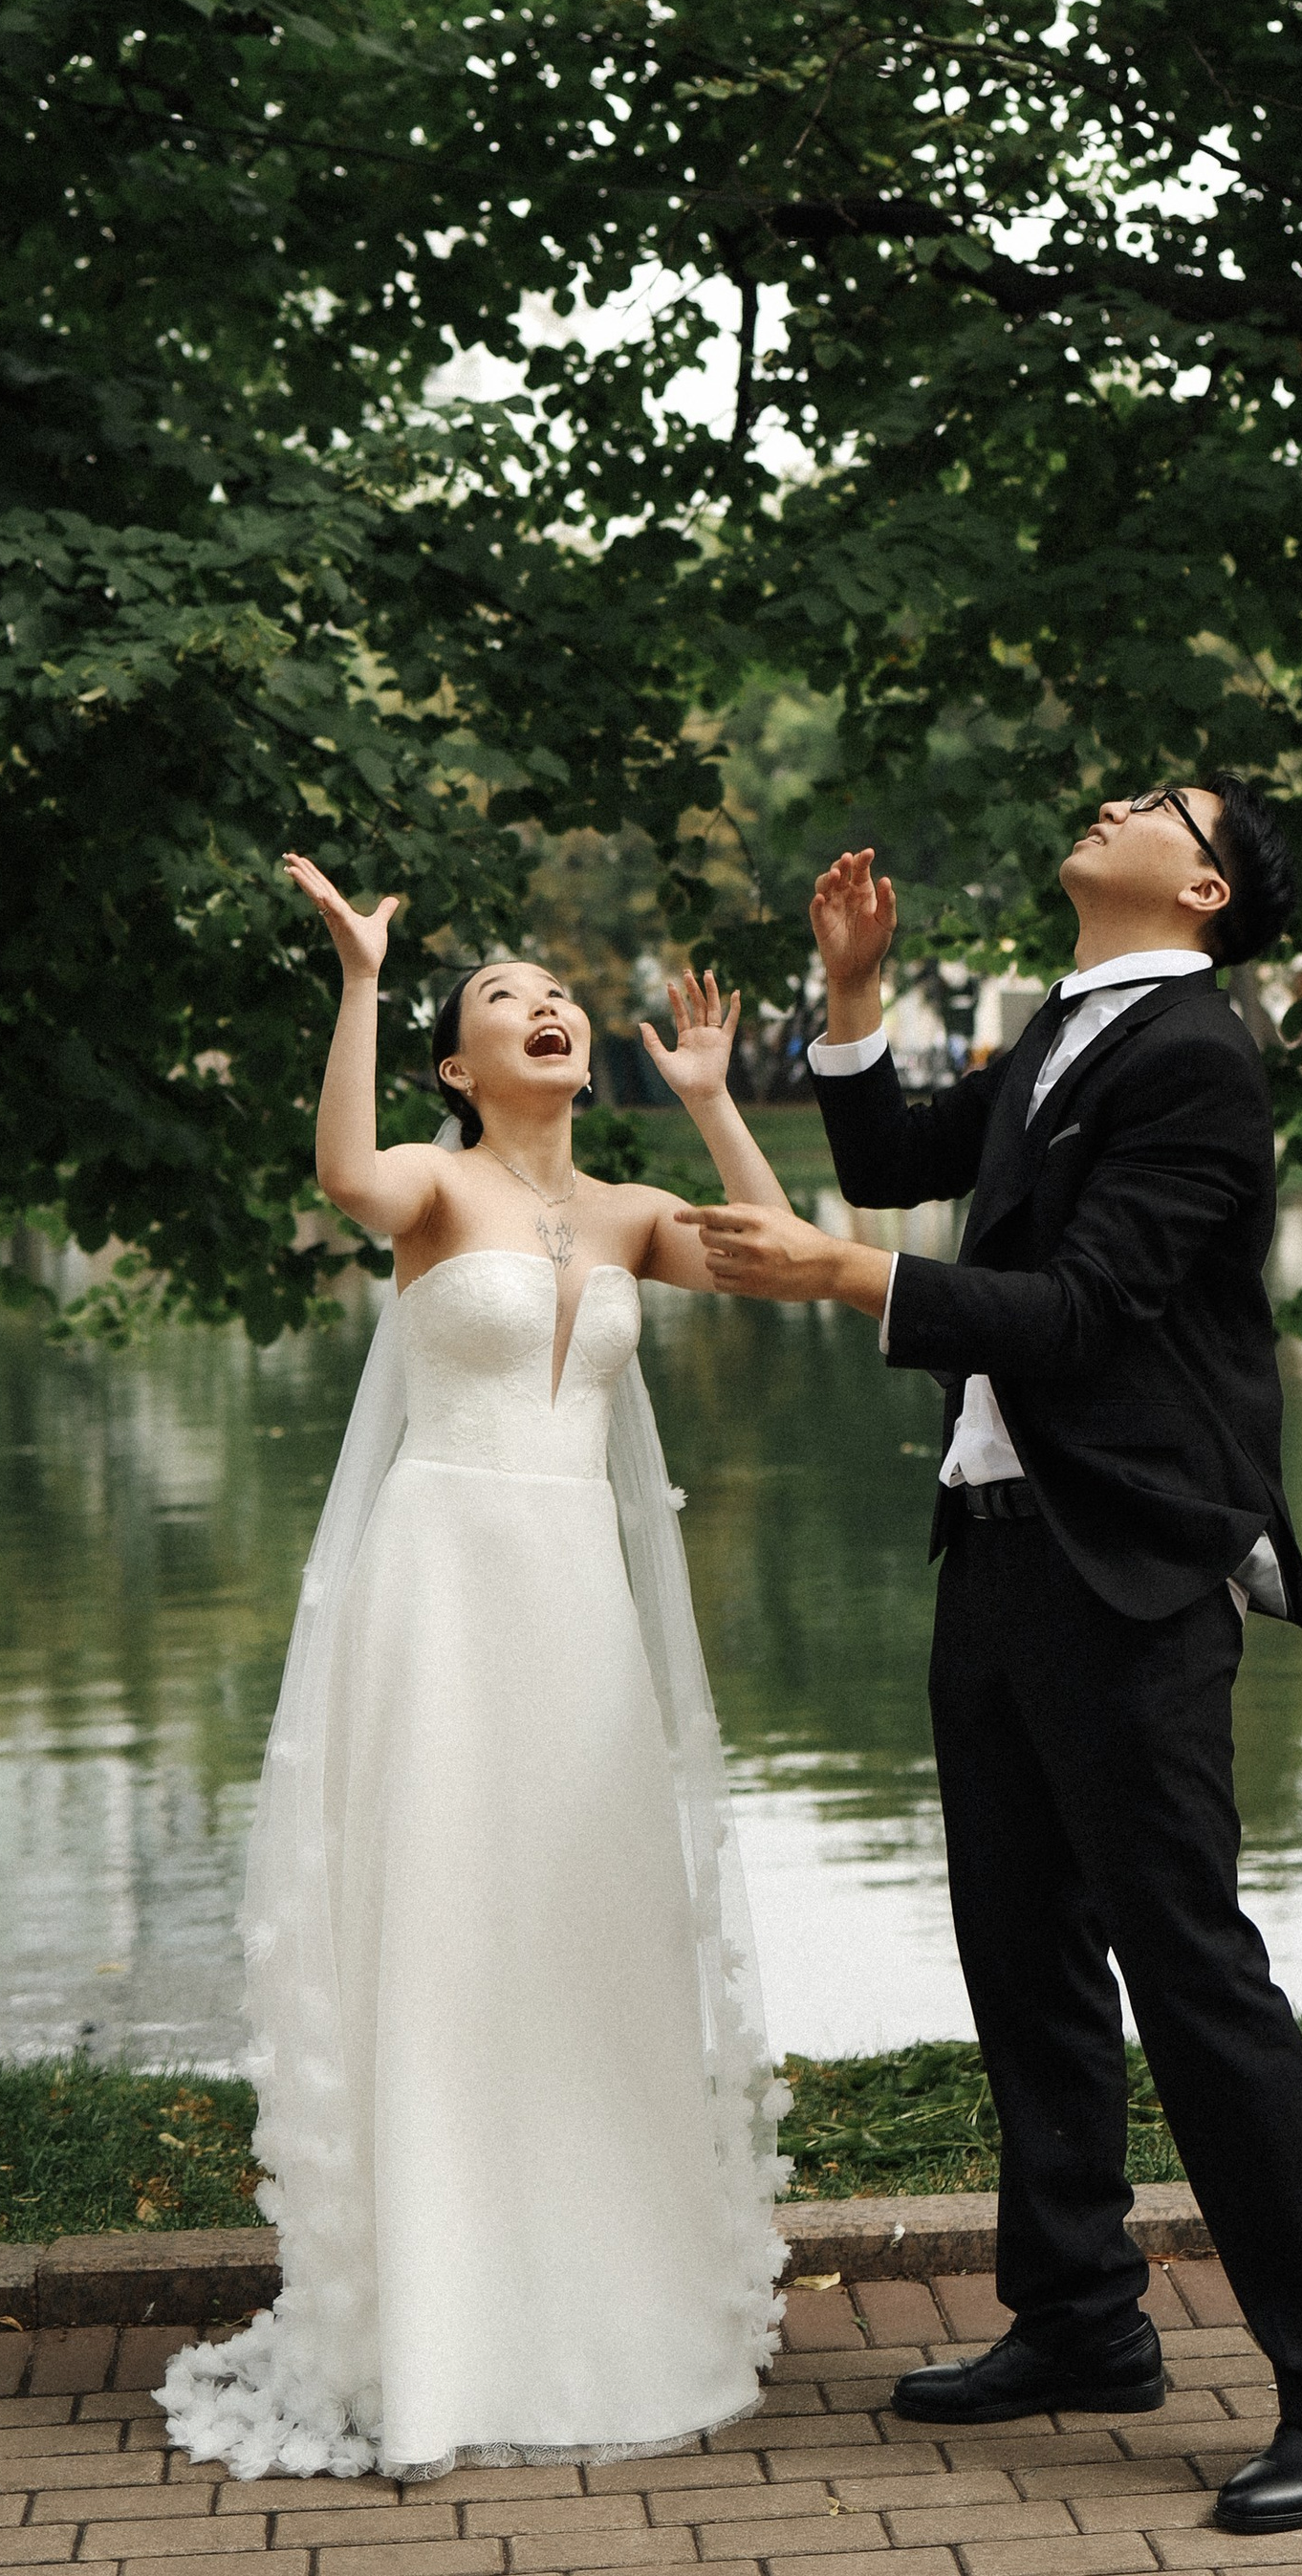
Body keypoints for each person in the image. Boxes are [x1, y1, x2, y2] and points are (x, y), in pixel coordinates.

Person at [674, 787, 1302, 2539]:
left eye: (1155, 804)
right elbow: (890, 1157)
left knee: (1190, 1969)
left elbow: (1083, 1310)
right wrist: (851, 1001)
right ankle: (1081, 2314)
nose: (1109, 797)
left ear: (1205, 882)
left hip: (1132, 1563)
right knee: (1021, 1947)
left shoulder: (1197, 1057)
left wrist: (845, 1282)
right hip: (1001, 1546)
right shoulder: (1059, 1030)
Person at [158, 860, 792, 2486]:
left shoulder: (636, 1215)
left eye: (556, 993)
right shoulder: (436, 1191)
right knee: (446, 1928)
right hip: (439, 1593)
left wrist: (717, 1102)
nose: (547, 1005)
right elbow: (340, 1165)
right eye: (504, 998)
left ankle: (607, 2303)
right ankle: (437, 2329)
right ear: (459, 1064)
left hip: (577, 1599)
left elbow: (797, 1255)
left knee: (585, 1929)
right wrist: (364, 979)